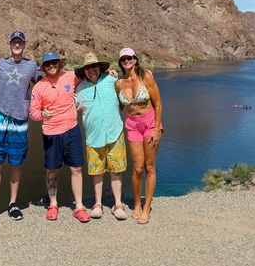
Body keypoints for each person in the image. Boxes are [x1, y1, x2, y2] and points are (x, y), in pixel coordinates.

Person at [29, 52, 91, 223]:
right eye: (48, 64)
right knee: (52, 170)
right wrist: (42, 114)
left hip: (72, 130)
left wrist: (109, 73)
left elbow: (90, 75)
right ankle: (53, 204)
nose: (51, 66)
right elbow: (33, 112)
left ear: (59, 63)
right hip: (51, 134)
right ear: (44, 67)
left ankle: (78, 206)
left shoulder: (70, 76)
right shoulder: (39, 87)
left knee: (76, 168)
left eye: (54, 62)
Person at [0, 30, 39, 226]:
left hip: (20, 120)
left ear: (24, 45)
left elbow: (49, 80)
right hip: (0, 118)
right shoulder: (0, 64)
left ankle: (13, 204)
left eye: (20, 42)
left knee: (16, 164)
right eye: (14, 42)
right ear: (9, 44)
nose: (17, 45)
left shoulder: (31, 66)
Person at [75, 53, 128, 220]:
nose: (92, 70)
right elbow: (69, 107)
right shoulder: (80, 89)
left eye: (94, 67)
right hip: (93, 137)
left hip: (115, 133)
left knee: (116, 171)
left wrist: (145, 74)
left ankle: (118, 205)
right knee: (96, 172)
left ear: (100, 68)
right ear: (84, 70)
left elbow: (128, 90)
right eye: (88, 68)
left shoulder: (112, 81)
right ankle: (97, 204)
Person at [115, 47, 163, 224]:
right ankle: (136, 204)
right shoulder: (119, 84)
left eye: (129, 58)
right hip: (132, 125)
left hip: (149, 123)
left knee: (149, 166)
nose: (126, 61)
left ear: (135, 59)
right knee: (137, 168)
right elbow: (118, 106)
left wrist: (157, 129)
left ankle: (146, 207)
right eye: (123, 59)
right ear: (120, 62)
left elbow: (158, 104)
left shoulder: (146, 77)